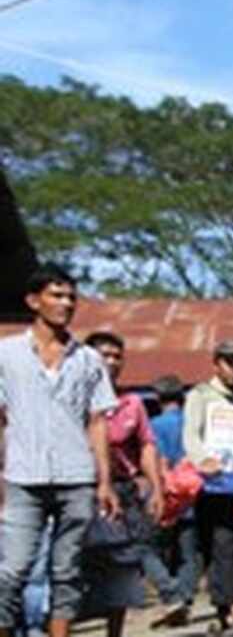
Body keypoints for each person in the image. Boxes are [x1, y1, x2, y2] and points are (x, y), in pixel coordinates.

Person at [0, 263, 121, 637]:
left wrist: (105, 481)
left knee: (66, 572)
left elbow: (98, 421)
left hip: (76, 476)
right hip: (22, 475)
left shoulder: (88, 360)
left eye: (71, 296)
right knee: (11, 570)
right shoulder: (6, 354)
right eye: (57, 295)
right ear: (34, 301)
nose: (66, 303)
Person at [82, 331, 165, 637]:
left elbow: (146, 445)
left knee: (122, 567)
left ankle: (114, 633)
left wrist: (156, 486)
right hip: (79, 489)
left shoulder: (131, 403)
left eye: (118, 356)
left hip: (122, 491)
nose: (112, 362)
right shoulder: (70, 398)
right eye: (106, 355)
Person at [183, 339, 233, 637]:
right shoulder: (201, 396)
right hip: (215, 487)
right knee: (222, 545)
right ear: (216, 363)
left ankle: (230, 611)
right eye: (232, 362)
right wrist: (202, 459)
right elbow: (191, 435)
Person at [143, 374, 201, 629]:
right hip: (193, 494)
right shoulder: (193, 423)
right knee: (190, 553)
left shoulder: (154, 425)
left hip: (166, 495)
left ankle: (170, 593)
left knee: (147, 549)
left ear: (157, 398)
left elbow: (160, 461)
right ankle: (184, 600)